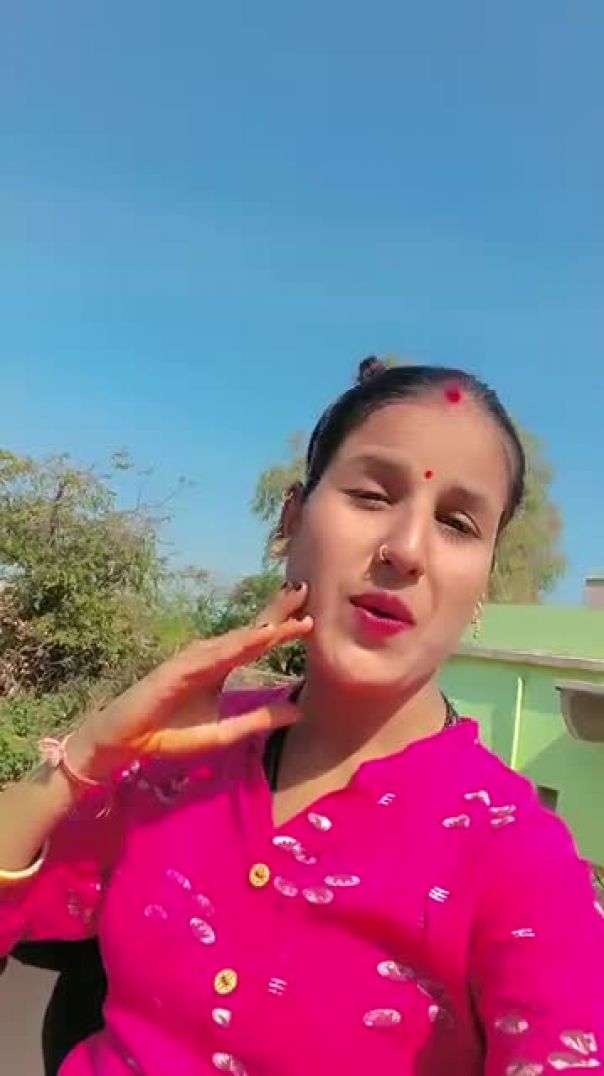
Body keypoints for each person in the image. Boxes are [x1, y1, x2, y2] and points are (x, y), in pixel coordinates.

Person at [1, 360, 603, 1076]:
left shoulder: (517, 862)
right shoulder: (178, 751)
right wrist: (90, 753)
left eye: (456, 523)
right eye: (372, 495)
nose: (407, 551)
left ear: (483, 582)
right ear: (292, 519)